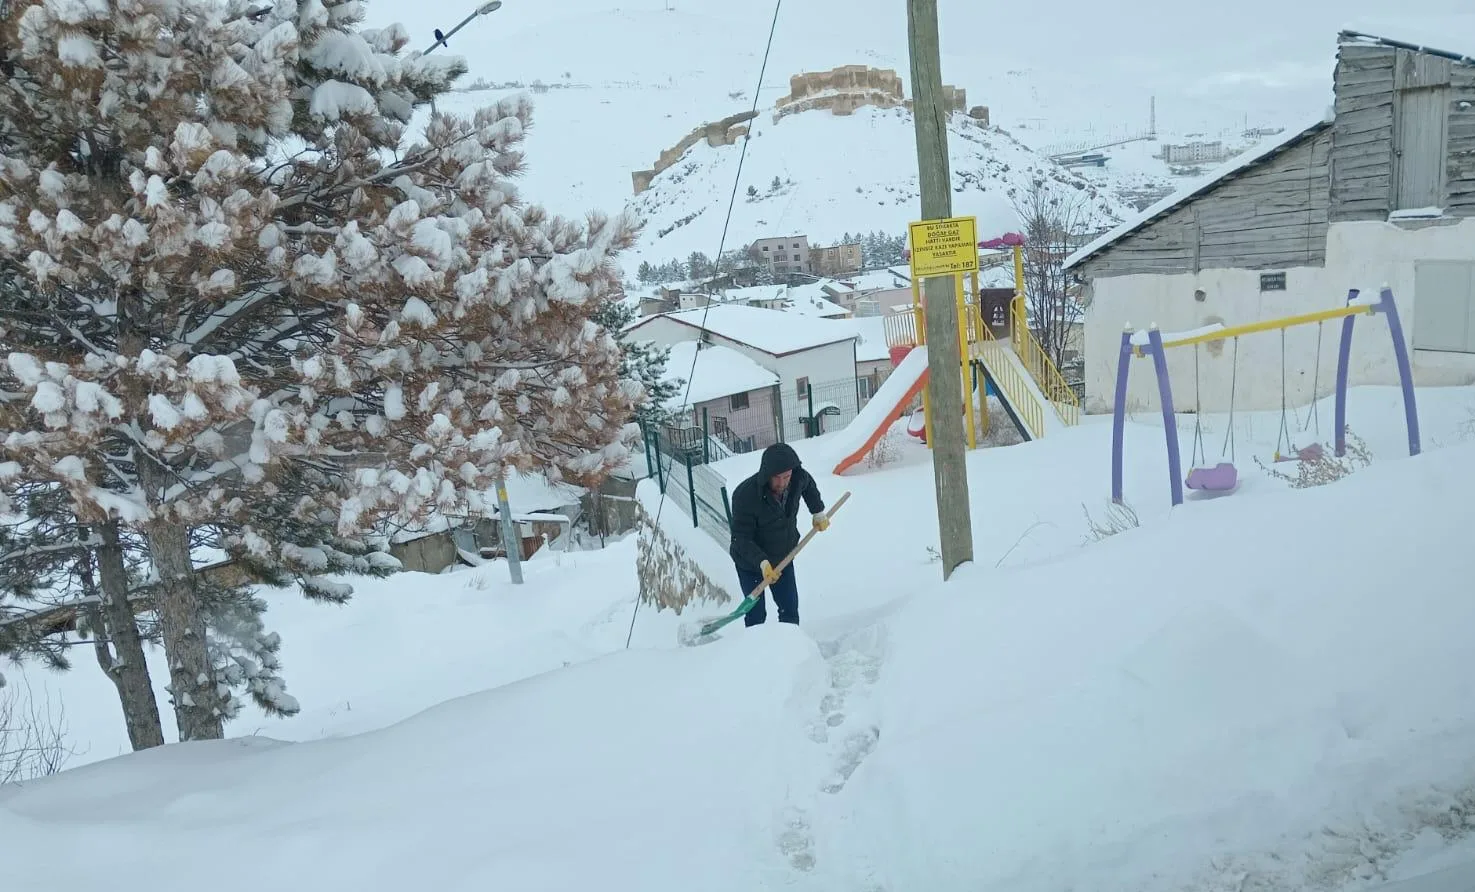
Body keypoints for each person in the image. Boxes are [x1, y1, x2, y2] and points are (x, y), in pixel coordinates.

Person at [727, 443, 828, 626]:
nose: (782, 483)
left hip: (783, 558)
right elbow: (740, 538)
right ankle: (757, 652)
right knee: (756, 617)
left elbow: (809, 486)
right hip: (751, 565)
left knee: (789, 611)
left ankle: (792, 651)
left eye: (786, 477)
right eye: (777, 478)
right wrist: (762, 562)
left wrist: (818, 511)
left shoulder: (797, 478)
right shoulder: (745, 495)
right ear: (766, 474)